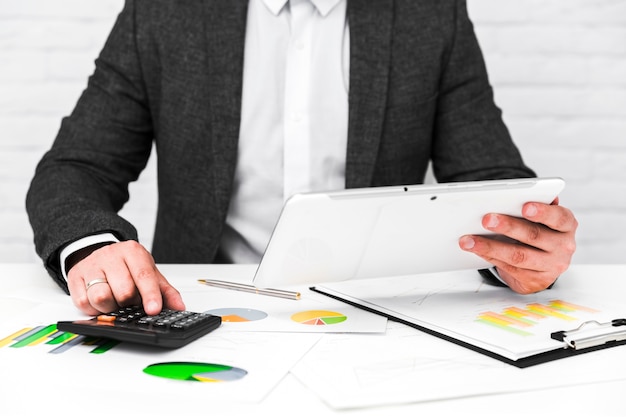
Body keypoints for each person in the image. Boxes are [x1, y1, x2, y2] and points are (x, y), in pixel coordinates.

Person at [26, 0, 577, 317]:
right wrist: (93, 246)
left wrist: (526, 249)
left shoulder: (428, 13)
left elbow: (486, 175)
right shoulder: (165, 10)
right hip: (201, 308)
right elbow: (78, 166)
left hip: (381, 313)